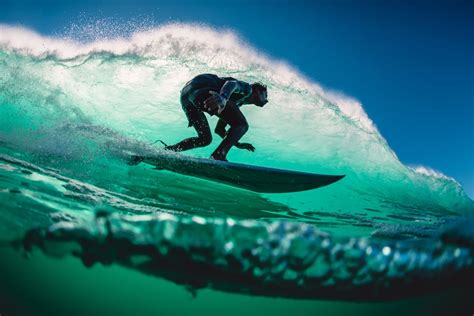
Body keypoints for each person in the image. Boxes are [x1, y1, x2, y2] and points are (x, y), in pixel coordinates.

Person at [163, 73, 268, 161]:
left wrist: (238, 144)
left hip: (186, 97)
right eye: (265, 95)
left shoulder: (234, 102)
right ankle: (218, 156)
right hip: (203, 88)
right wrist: (223, 97)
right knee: (242, 125)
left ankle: (168, 151)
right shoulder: (248, 89)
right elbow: (232, 84)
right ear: (258, 91)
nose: (266, 100)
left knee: (205, 139)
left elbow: (219, 129)